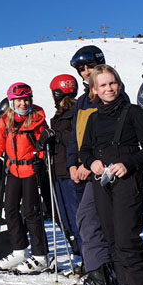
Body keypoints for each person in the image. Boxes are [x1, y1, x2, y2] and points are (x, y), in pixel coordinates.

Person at [79, 65, 143, 285]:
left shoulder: (133, 112)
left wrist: (129, 163)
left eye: (112, 83)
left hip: (127, 180)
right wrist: (91, 162)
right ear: (94, 90)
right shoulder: (93, 118)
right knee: (112, 236)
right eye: (102, 85)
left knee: (128, 236)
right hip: (103, 182)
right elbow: (85, 150)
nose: (109, 89)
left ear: (119, 83)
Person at [0, 82, 49, 274]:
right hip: (13, 171)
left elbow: (45, 146)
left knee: (31, 212)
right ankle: (20, 250)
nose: (23, 103)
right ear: (12, 101)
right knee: (9, 210)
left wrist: (41, 161)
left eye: (26, 99)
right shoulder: (5, 121)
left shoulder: (37, 119)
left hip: (31, 170)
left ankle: (41, 255)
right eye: (19, 100)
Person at [65, 46, 116, 285]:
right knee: (87, 220)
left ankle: (100, 278)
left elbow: (110, 137)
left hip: (104, 170)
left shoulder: (112, 95)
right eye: (80, 69)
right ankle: (100, 272)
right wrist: (72, 164)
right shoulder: (83, 102)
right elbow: (76, 137)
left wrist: (90, 162)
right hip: (85, 168)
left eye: (88, 66)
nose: (85, 72)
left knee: (91, 219)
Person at [48, 74, 83, 259]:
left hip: (70, 173)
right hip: (58, 172)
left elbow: (75, 140)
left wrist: (56, 136)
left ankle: (89, 260)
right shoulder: (60, 116)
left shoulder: (75, 113)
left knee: (76, 217)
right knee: (65, 218)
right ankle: (79, 255)